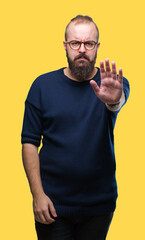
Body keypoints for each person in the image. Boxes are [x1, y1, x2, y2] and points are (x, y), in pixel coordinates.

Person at [21, 15, 129, 239]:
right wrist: (37, 195)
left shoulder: (112, 83)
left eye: (88, 43)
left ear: (97, 46)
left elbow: (116, 102)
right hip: (52, 206)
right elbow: (29, 143)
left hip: (98, 206)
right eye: (75, 43)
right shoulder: (42, 86)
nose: (82, 49)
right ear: (65, 46)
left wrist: (113, 100)